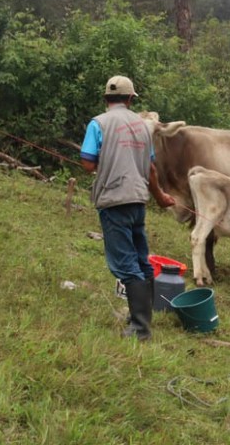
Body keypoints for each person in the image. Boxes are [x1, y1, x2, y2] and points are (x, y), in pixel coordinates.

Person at [80, 75, 175, 341]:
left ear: (105, 98)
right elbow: (151, 168)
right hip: (137, 198)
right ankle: (142, 319)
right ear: (131, 99)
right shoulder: (143, 127)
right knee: (141, 258)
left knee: (124, 262)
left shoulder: (98, 123)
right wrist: (160, 196)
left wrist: (107, 162)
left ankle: (140, 329)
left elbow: (87, 163)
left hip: (113, 199)